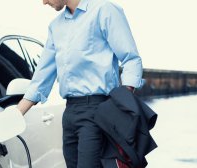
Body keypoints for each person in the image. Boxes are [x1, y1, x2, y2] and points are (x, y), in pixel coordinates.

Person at [16, 0, 143, 167]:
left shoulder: (104, 10)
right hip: (69, 114)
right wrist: (15, 115)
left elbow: (131, 59)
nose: (44, 2)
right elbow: (42, 77)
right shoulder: (56, 26)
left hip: (98, 110)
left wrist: (123, 104)